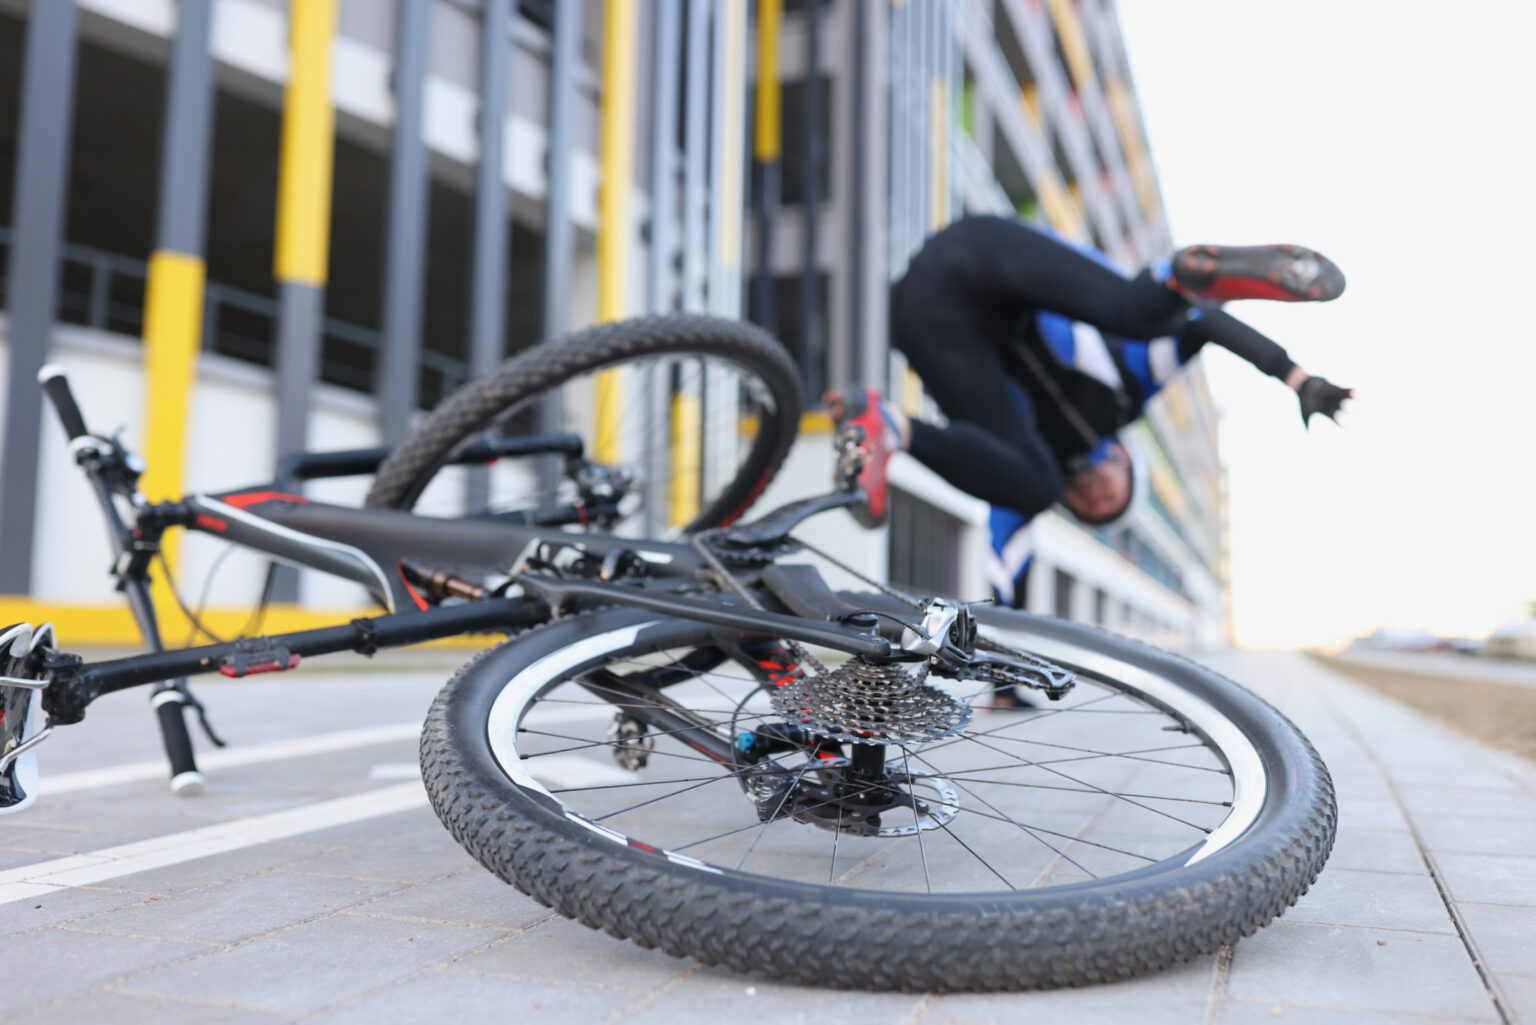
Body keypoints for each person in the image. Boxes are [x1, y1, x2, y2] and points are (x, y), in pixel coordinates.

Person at [828, 215, 1351, 610]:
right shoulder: (1127, 395)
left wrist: (1004, 685)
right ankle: (1186, 275)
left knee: (1025, 484)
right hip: (989, 260)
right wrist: (1294, 377)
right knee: (1141, 316)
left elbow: (1008, 564)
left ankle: (886, 426)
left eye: (1088, 507)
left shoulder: (1030, 464)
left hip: (926, 315)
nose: (1094, 495)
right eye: (1110, 494)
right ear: (1125, 461)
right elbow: (1203, 330)